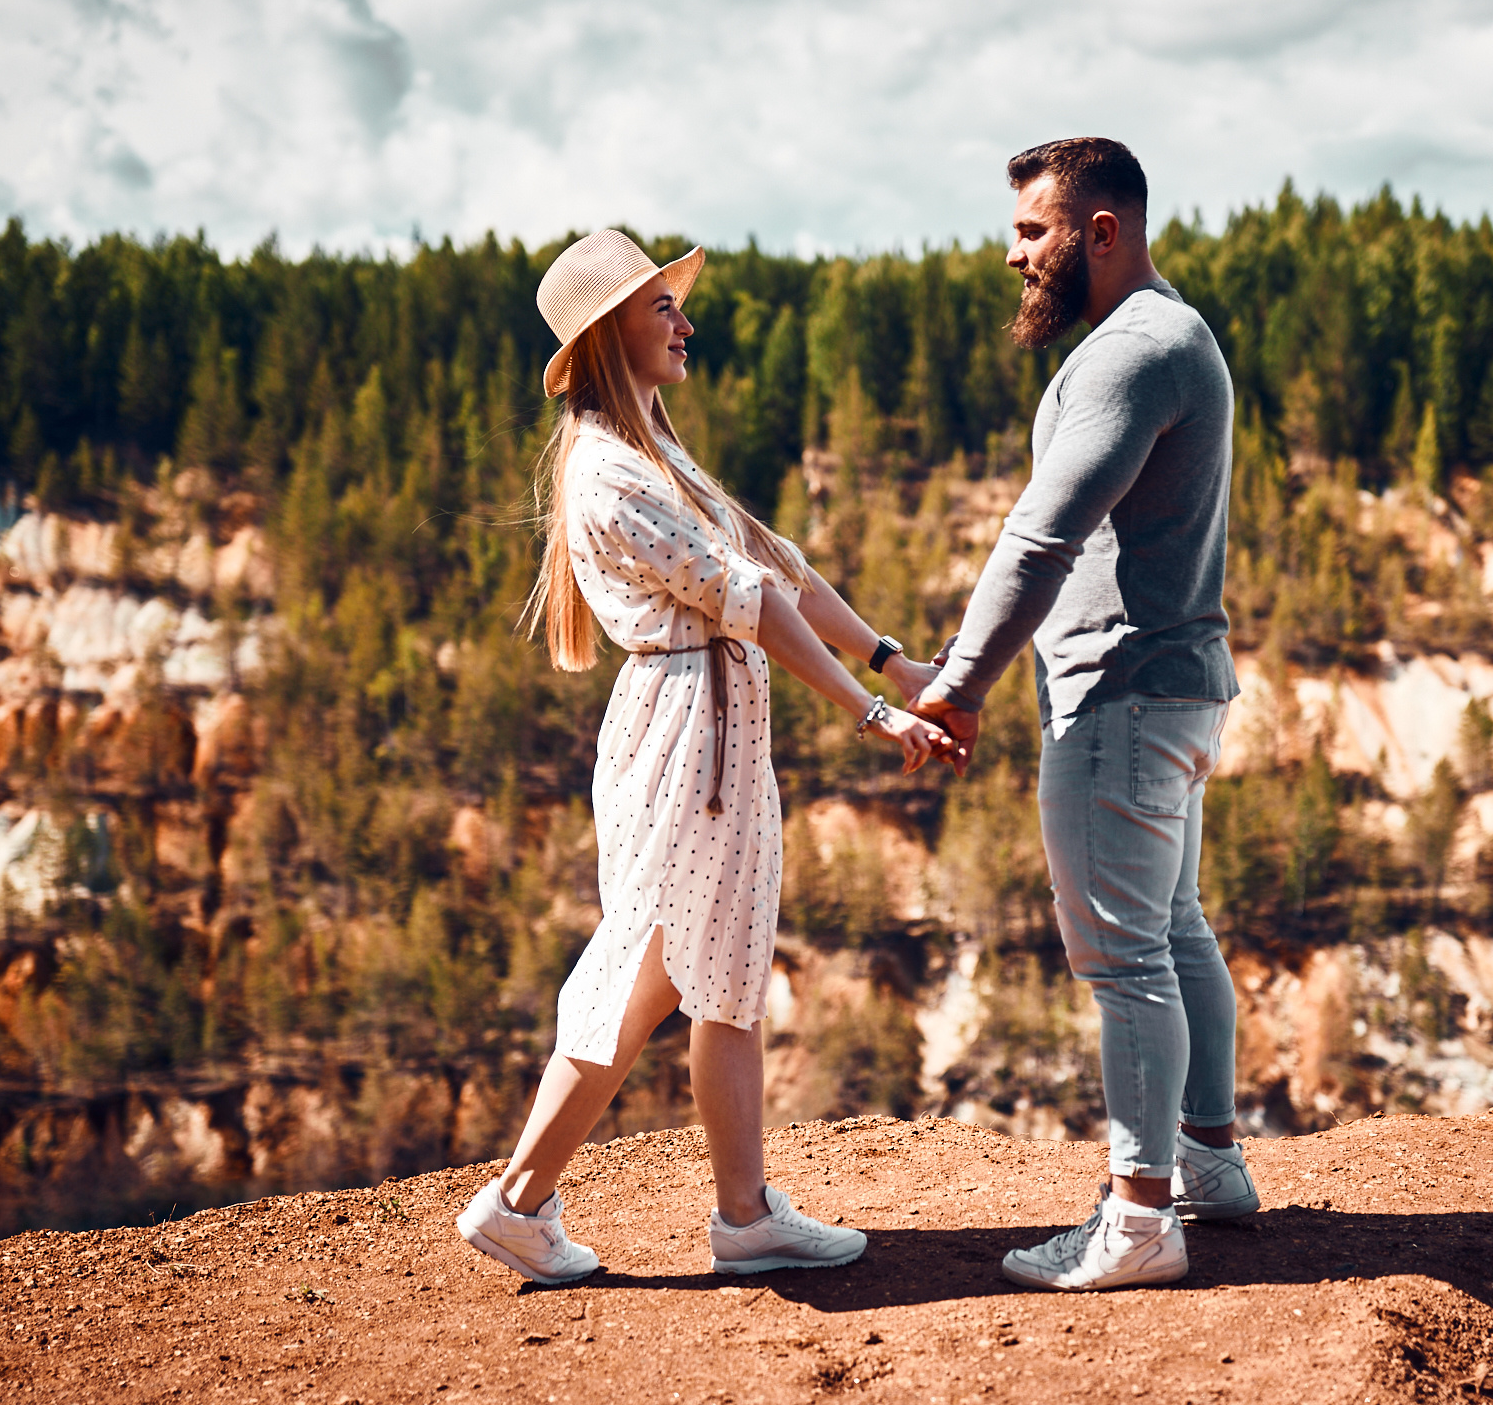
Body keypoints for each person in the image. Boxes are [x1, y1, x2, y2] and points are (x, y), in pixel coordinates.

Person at [456, 229, 952, 1284]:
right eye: (661, 310)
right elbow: (753, 600)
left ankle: (739, 1214)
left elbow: (777, 566)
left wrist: (893, 662)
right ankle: (520, 1201)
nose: (687, 322)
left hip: (713, 731)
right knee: (643, 980)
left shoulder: (652, 453)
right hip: (687, 740)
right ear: (607, 338)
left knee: (718, 974)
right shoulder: (608, 475)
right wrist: (872, 712)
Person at [914, 138, 1258, 1292]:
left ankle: (1140, 1219)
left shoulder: (1134, 351)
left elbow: (1041, 538)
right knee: (1176, 933)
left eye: (1032, 232)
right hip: (1176, 685)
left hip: (1119, 695)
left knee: (1124, 961)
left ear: (1100, 231)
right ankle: (1208, 1166)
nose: (1014, 256)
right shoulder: (1175, 336)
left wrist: (959, 687)